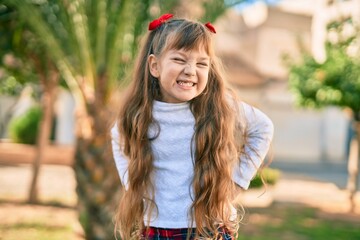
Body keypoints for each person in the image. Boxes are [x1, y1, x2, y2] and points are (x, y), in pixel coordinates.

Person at [111, 13, 274, 240]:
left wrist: (237, 182)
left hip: (209, 228)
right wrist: (131, 185)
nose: (190, 70)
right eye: (179, 60)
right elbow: (117, 136)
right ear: (155, 66)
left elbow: (263, 127)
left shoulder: (219, 105)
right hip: (156, 229)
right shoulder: (140, 113)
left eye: (201, 64)